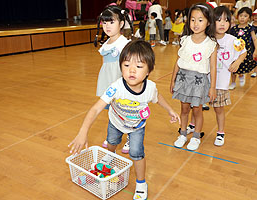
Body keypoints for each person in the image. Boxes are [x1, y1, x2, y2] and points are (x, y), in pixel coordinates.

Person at [68, 40, 180, 200]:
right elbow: (95, 109)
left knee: (136, 153)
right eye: (126, 65)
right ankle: (110, 155)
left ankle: (141, 183)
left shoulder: (150, 88)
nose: (132, 70)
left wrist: (170, 110)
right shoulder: (116, 87)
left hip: (136, 126)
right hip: (116, 122)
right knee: (112, 141)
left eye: (139, 66)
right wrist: (82, 132)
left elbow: (158, 97)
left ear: (149, 70)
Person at [170, 3, 217, 151]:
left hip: (199, 81)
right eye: (192, 19)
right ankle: (183, 134)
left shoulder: (211, 44)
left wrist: (212, 88)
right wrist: (173, 80)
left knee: (197, 110)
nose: (195, 23)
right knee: (184, 109)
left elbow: (213, 67)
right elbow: (178, 62)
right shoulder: (185, 40)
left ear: (208, 22)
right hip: (183, 78)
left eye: (200, 20)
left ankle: (196, 136)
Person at [93, 6, 133, 151]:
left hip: (120, 82)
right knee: (112, 111)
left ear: (121, 24)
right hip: (107, 82)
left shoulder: (124, 44)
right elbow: (105, 65)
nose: (107, 26)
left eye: (111, 22)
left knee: (124, 111)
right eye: (104, 22)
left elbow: (129, 67)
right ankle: (113, 135)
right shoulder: (105, 44)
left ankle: (130, 136)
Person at [211, 6, 247, 146]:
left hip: (221, 82)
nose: (222, 24)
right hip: (204, 81)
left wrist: (237, 62)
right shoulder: (207, 39)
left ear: (230, 23)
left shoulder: (233, 40)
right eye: (218, 20)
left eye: (226, 20)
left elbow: (243, 52)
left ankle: (220, 133)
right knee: (197, 107)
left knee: (219, 109)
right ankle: (193, 127)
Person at [229, 7, 257, 89]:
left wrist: (256, 49)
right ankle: (233, 82)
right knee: (233, 65)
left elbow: (254, 39)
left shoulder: (250, 28)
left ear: (249, 18)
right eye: (241, 15)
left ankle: (241, 75)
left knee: (242, 65)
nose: (242, 18)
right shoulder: (234, 29)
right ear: (237, 17)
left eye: (245, 16)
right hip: (234, 51)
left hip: (245, 52)